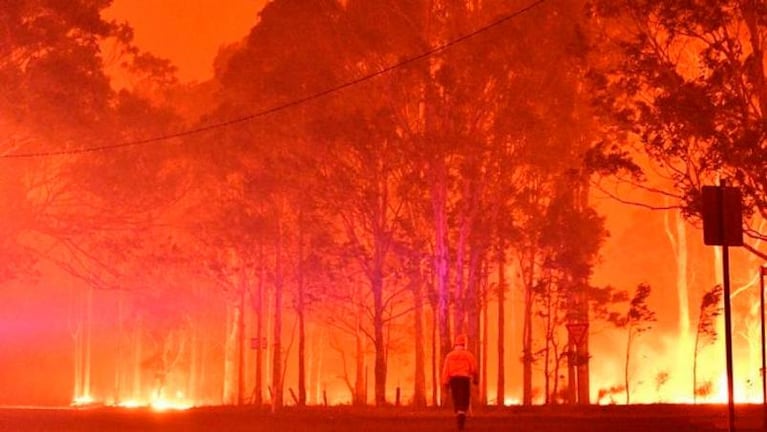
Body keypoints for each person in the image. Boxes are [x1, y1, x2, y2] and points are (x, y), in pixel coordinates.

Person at [441, 334, 478, 431]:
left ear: (455, 344)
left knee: (457, 399)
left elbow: (446, 369)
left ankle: (458, 417)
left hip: (454, 380)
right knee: (464, 399)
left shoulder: (449, 356)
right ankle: (462, 419)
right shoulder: (468, 355)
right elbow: (473, 367)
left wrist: (445, 382)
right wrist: (475, 378)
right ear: (464, 344)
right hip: (464, 379)